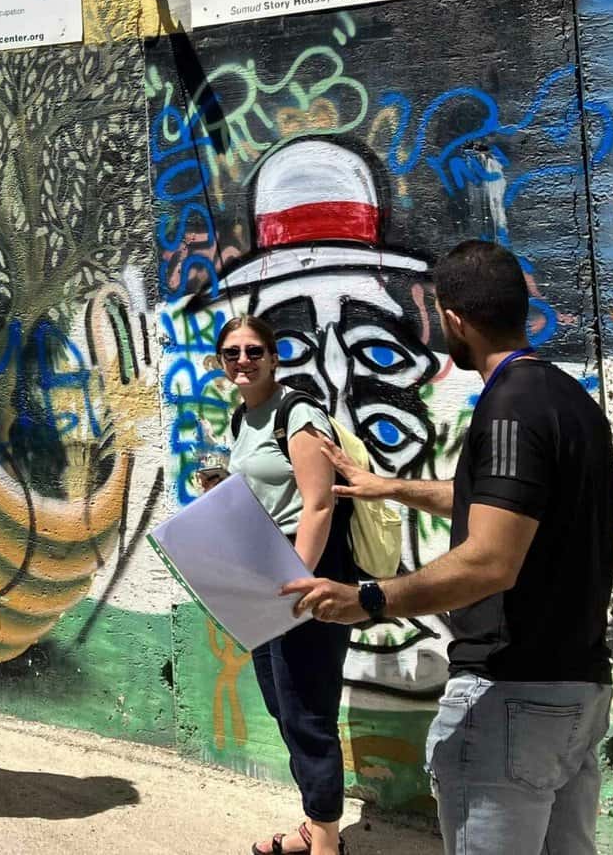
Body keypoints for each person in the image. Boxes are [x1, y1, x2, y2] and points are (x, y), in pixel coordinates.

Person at [283, 241, 613, 855]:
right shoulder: (568, 400)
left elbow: (491, 559)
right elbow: (501, 504)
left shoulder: (509, 409)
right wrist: (391, 487)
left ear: (454, 319)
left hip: (512, 694)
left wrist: (371, 598)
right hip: (578, 692)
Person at [217, 315, 353, 855]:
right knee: (282, 705)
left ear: (275, 358)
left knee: (308, 709)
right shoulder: (243, 419)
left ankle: (325, 843)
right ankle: (316, 827)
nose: (243, 361)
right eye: (232, 353)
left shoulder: (297, 414)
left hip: (307, 577)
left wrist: (299, 583)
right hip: (266, 579)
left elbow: (319, 504)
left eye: (254, 351)